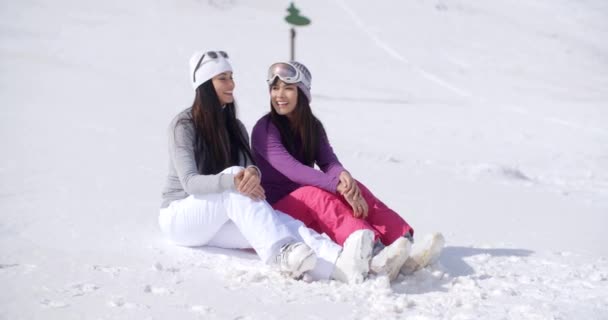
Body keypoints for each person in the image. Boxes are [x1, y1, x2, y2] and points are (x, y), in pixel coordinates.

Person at [158, 50, 376, 284]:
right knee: (236, 179)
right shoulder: (183, 125)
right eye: (222, 78)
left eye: (231, 77)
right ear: (204, 84)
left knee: (278, 221)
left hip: (217, 220)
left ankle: (340, 263)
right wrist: (236, 180)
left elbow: (249, 169)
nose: (231, 84)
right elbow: (190, 183)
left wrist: (252, 173)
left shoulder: (235, 127)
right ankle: (282, 255)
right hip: (180, 218)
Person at [251, 61, 445, 281]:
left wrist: (344, 177)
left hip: (308, 206)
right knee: (316, 194)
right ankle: (374, 252)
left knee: (355, 186)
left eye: (288, 88)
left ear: (302, 93)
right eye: (275, 88)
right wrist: (337, 185)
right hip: (278, 212)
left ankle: (401, 242)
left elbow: (328, 162)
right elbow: (293, 170)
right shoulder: (264, 130)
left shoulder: (312, 126)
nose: (279, 95)